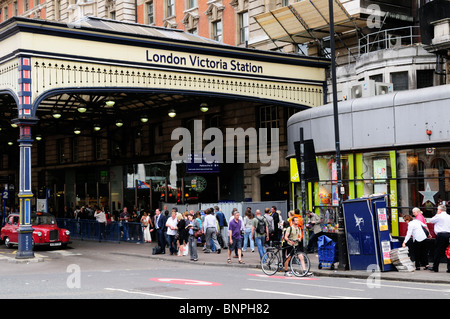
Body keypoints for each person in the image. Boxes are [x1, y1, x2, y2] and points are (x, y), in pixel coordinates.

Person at [429, 205, 450, 272]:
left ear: (440, 210)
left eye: (438, 209)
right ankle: (449, 268)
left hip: (441, 235)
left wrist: (436, 214)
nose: (437, 211)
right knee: (448, 252)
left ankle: (435, 268)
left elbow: (431, 221)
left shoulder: (439, 216)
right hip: (448, 234)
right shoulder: (449, 216)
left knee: (437, 251)